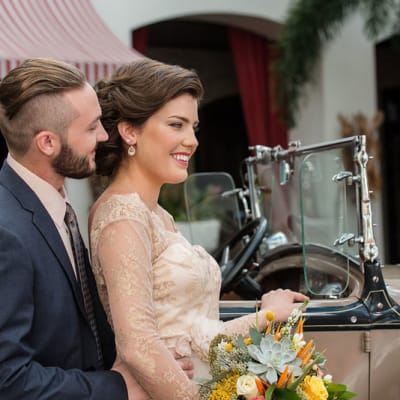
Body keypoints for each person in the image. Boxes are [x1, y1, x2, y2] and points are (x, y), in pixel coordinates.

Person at [89, 58, 308, 400]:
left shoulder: (157, 214)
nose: (191, 141)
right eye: (176, 125)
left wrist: (267, 315)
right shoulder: (123, 216)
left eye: (193, 127)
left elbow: (197, 339)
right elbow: (138, 346)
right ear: (130, 131)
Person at [0, 58, 193, 400]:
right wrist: (116, 387)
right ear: (48, 143)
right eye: (91, 128)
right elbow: (9, 379)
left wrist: (160, 364)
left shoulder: (57, 209)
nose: (105, 136)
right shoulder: (7, 232)